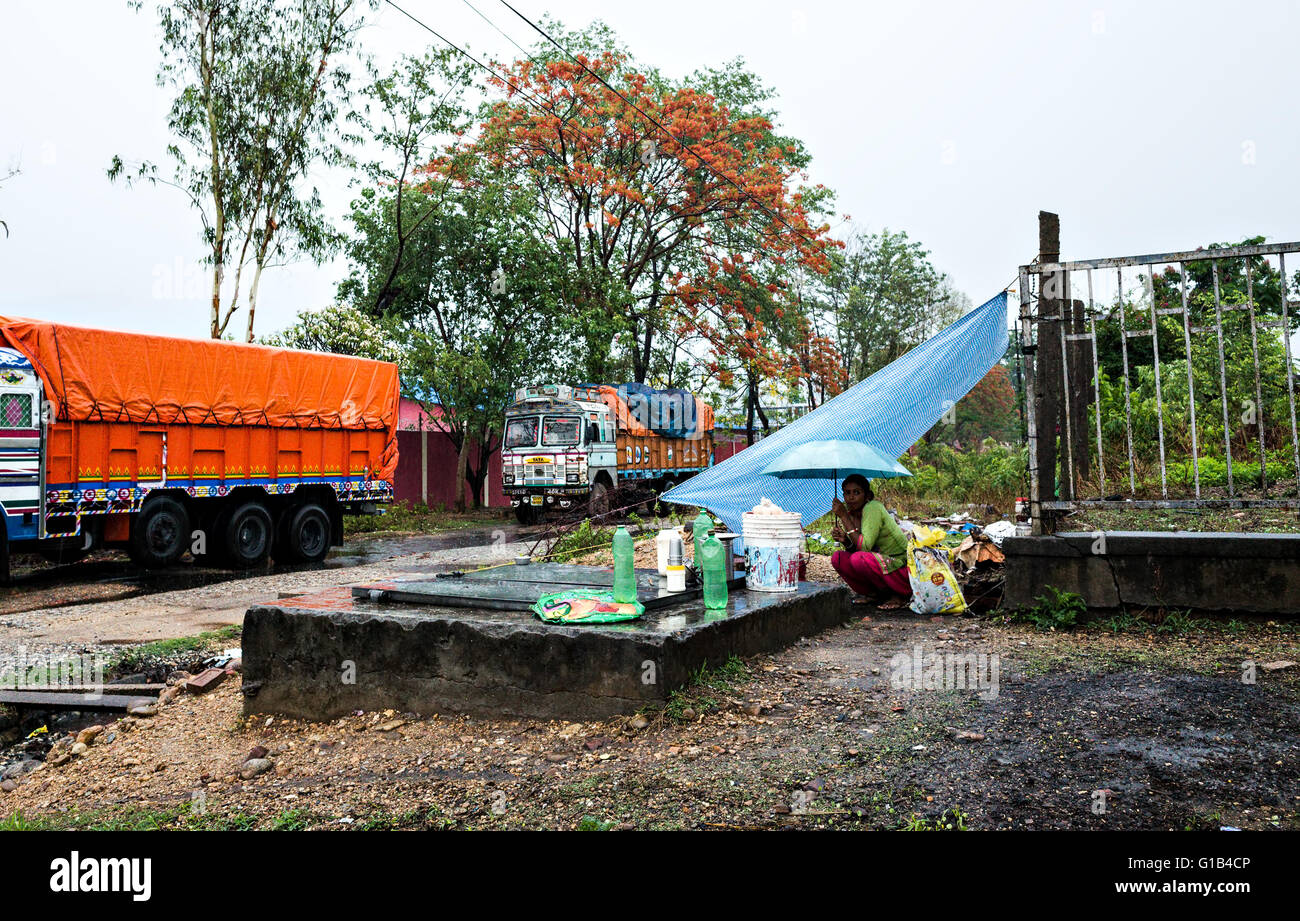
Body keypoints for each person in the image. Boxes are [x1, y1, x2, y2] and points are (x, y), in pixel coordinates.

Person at [828, 474, 911, 608]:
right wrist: (846, 541)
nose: (851, 497)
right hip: (878, 562)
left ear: (867, 495)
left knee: (858, 559)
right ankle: (873, 594)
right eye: (847, 493)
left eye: (857, 492)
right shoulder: (853, 515)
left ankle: (899, 595)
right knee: (837, 558)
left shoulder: (873, 508)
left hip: (899, 565)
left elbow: (864, 548)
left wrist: (843, 516)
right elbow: (857, 549)